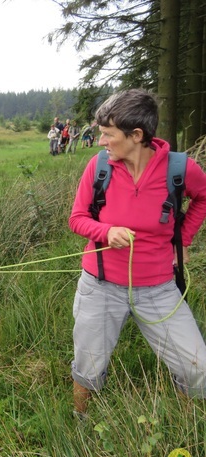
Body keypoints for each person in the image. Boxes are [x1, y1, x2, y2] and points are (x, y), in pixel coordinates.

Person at [68, 89, 206, 418]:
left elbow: (203, 198)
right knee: (88, 365)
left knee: (196, 365)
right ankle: (80, 421)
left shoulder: (180, 169)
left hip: (159, 288)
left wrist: (182, 241)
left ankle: (186, 424)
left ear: (136, 136)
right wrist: (106, 232)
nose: (101, 141)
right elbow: (77, 219)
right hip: (100, 286)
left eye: (107, 134)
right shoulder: (98, 167)